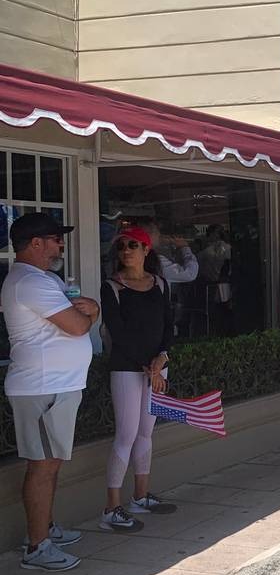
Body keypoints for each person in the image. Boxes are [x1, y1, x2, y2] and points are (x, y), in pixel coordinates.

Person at [3, 213, 99, 572]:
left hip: (55, 387)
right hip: (42, 388)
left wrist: (88, 311)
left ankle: (46, 529)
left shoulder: (42, 280)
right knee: (42, 466)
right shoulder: (31, 281)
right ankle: (37, 546)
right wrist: (96, 312)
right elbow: (76, 326)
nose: (61, 244)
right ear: (35, 243)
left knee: (51, 462)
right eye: (56, 238)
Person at [100, 226, 178, 535]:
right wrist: (149, 367)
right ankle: (111, 508)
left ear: (147, 250)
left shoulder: (159, 283)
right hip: (127, 368)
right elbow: (117, 332)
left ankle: (140, 495)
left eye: (133, 245)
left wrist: (163, 358)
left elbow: (169, 325)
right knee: (127, 434)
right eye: (122, 246)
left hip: (156, 367)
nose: (127, 250)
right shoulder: (113, 286)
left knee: (147, 431)